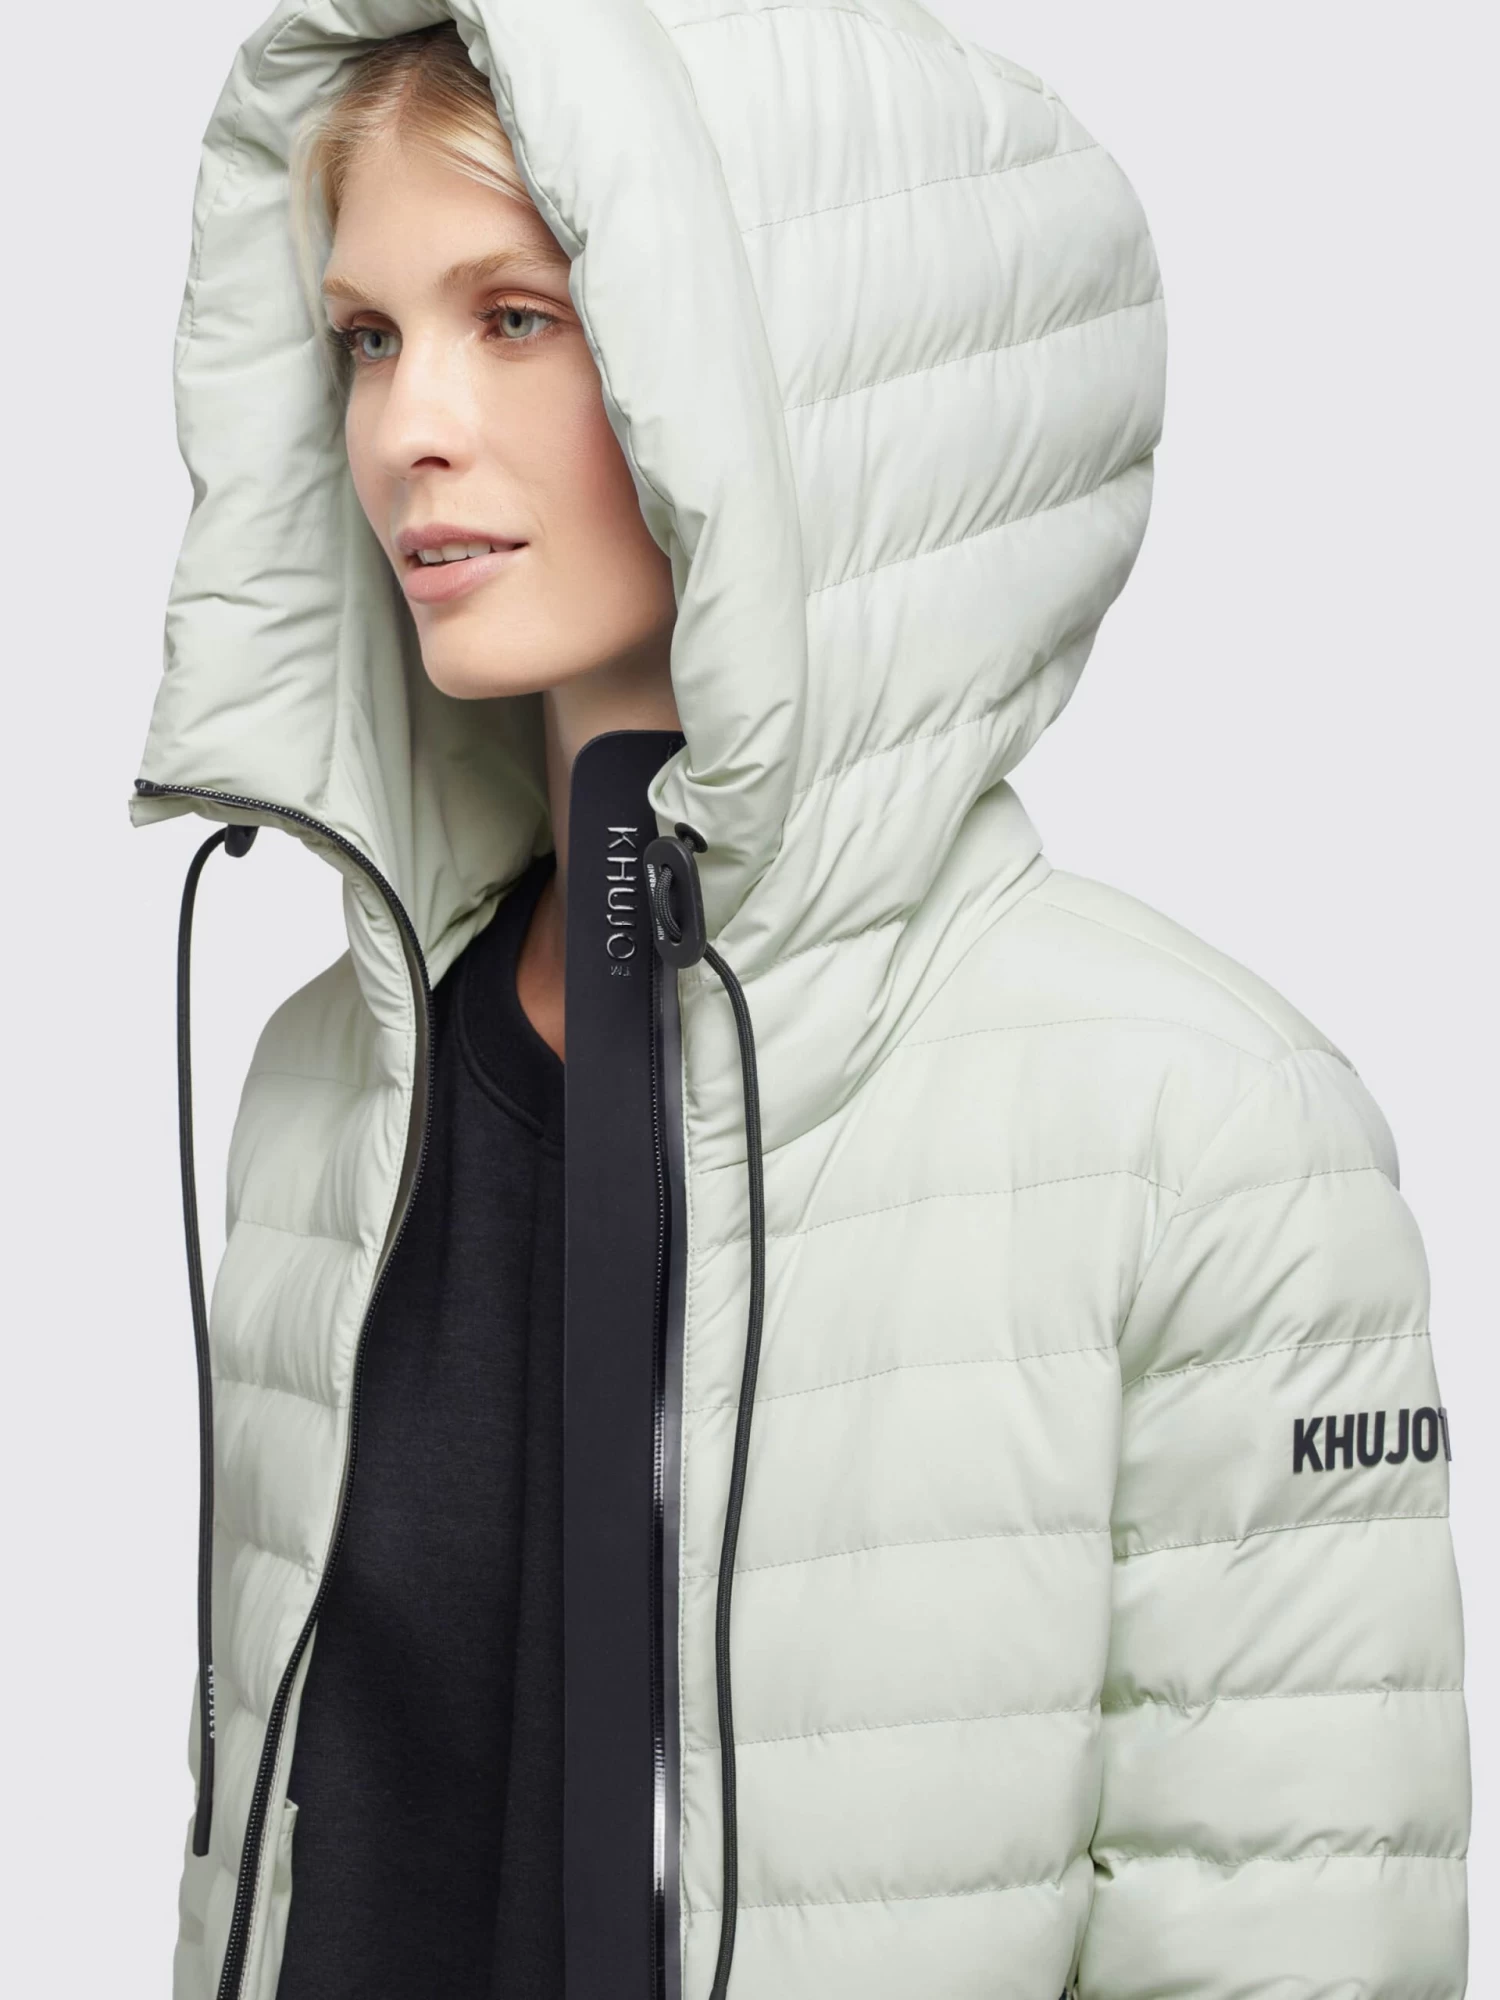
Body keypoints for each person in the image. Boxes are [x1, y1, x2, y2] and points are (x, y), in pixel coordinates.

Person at [130, 6, 1471, 2000]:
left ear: (785, 365)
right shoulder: (323, 1087)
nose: (408, 426)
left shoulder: (1200, 1132)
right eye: (367, 337)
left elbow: (1292, 1947)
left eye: (518, 316)